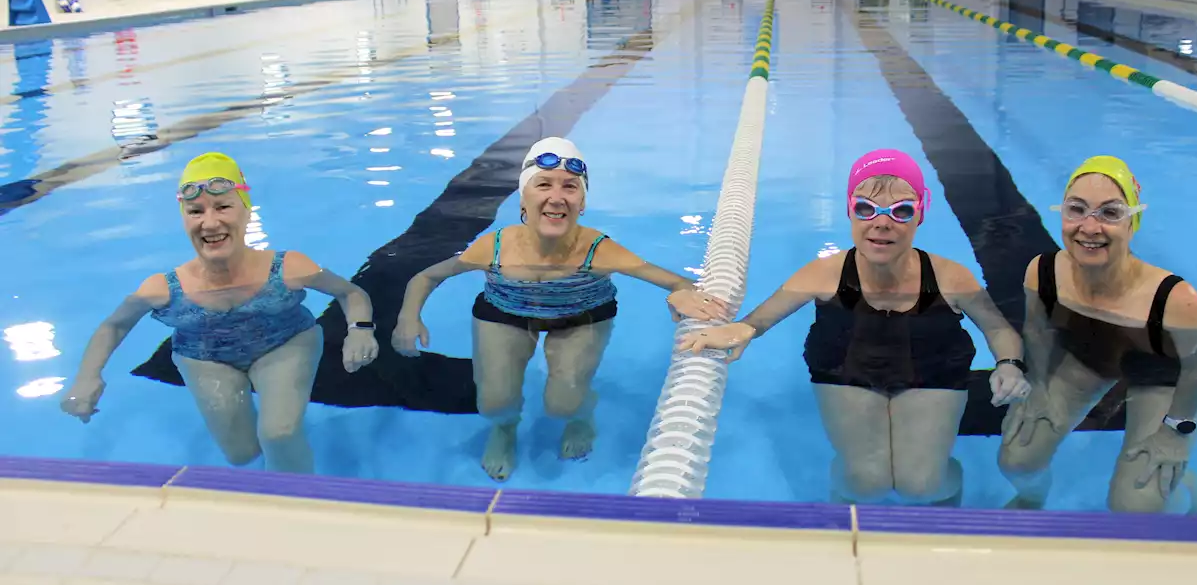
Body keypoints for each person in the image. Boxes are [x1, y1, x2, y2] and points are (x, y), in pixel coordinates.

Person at [679, 149, 1028, 506]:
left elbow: (998, 329)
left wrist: (1009, 365)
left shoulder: (950, 277)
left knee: (922, 484)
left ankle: (944, 483)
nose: (882, 222)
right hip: (846, 367)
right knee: (865, 482)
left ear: (920, 215)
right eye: (866, 208)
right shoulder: (825, 274)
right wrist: (739, 330)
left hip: (933, 369)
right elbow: (760, 320)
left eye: (901, 210)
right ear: (850, 210)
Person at [391, 137, 730, 482]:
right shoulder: (493, 247)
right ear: (524, 198)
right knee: (494, 402)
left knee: (563, 403)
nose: (557, 197)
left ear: (582, 202)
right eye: (543, 185)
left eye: (570, 187)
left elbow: (677, 282)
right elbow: (426, 277)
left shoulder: (599, 251)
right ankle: (505, 430)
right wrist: (408, 316)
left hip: (581, 316)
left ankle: (581, 416)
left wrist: (677, 293)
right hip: (504, 313)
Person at [60, 152, 379, 473]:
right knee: (241, 454)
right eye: (195, 211)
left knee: (279, 434)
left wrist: (360, 329)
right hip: (204, 357)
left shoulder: (288, 268)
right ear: (184, 218)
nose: (210, 223)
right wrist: (87, 377)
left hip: (285, 343)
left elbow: (350, 293)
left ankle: (297, 506)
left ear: (246, 211)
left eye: (223, 206)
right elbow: (113, 327)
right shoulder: (162, 289)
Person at [998, 156, 1197, 513]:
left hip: (1165, 376)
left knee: (1137, 504)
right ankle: (1032, 498)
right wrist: (1039, 387)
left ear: (1133, 221)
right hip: (1093, 357)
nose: (1090, 226)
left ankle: (1186, 493)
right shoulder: (1043, 272)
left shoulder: (1175, 299)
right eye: (1077, 209)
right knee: (1017, 458)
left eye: (1110, 213)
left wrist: (1175, 433)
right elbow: (1037, 331)